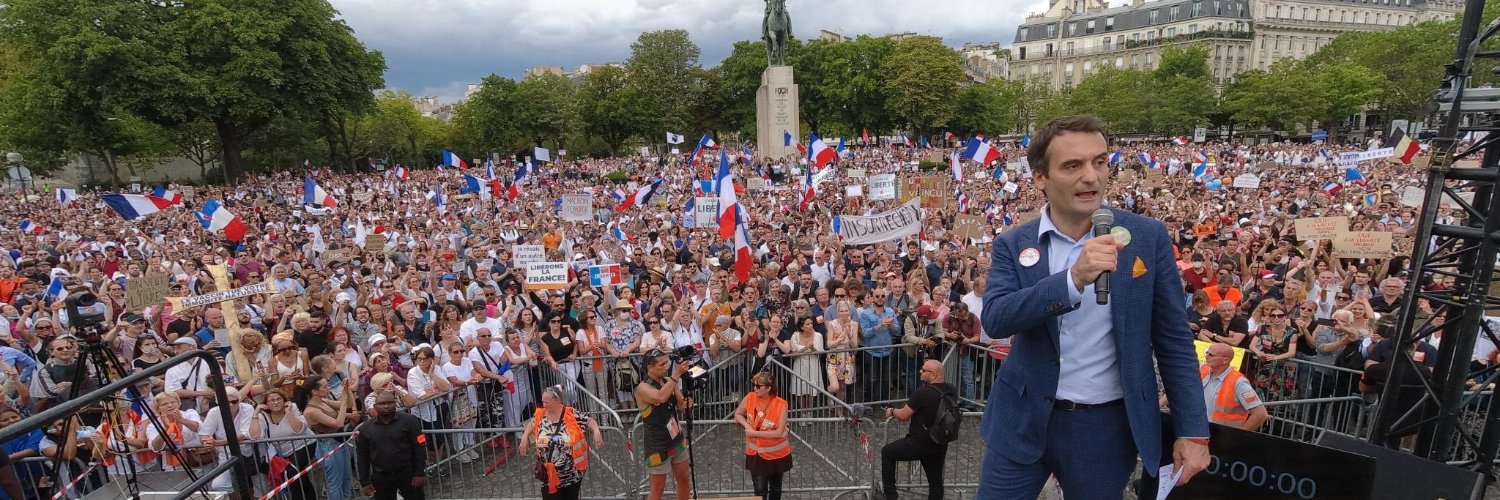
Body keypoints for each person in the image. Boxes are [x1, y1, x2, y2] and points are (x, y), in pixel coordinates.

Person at [978, 115, 1209, 499]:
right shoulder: (1014, 244)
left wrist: (1193, 430)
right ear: (1040, 178)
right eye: (1073, 165)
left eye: (1100, 162)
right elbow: (997, 318)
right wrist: (1072, 279)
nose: (1092, 177)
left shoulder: (1146, 237)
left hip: (1105, 430)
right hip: (1021, 420)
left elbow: (1173, 341)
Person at [879, 360, 953, 500]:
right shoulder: (951, 390)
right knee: (936, 482)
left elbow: (903, 415)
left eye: (924, 370)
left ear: (933, 375)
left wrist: (891, 411)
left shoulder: (923, 392)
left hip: (919, 443)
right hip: (939, 442)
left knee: (887, 452)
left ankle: (890, 495)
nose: (920, 371)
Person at [521, 385, 604, 500]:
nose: (544, 405)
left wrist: (596, 431)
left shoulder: (571, 413)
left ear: (557, 400)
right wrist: (525, 436)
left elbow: (589, 420)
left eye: (547, 402)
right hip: (549, 474)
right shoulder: (540, 414)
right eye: (543, 402)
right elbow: (532, 423)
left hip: (571, 473)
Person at [635, 349, 692, 500]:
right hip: (657, 444)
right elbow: (660, 397)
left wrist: (686, 404)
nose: (666, 367)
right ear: (650, 367)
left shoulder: (668, 381)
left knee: (684, 479)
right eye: (662, 364)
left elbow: (680, 407)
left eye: (667, 363)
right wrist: (675, 376)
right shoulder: (642, 388)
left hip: (676, 438)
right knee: (658, 488)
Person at [356, 391, 428, 500]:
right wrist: (364, 481)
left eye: (390, 403)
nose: (386, 406)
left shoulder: (410, 421)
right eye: (382, 403)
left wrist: (419, 473)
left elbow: (420, 447)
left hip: (408, 474)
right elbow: (362, 456)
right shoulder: (366, 428)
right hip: (381, 478)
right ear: (375, 406)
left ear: (395, 404)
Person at [734, 370, 792, 500]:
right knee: (759, 491)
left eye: (758, 386)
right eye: (754, 385)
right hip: (756, 454)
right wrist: (747, 425)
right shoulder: (750, 397)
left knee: (776, 489)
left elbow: (778, 433)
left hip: (777, 455)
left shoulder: (781, 404)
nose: (755, 388)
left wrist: (754, 433)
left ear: (768, 388)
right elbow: (738, 414)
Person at [1200, 343, 1269, 431]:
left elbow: (1260, 415)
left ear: (1225, 360)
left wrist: (1238, 436)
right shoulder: (1203, 369)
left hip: (1222, 436)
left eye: (1211, 355)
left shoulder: (1239, 382)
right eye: (1206, 353)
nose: (1206, 356)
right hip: (1201, 431)